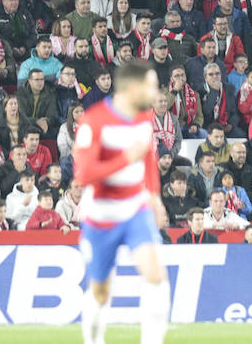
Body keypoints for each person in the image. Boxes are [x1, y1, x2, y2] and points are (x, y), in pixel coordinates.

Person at [74, 59, 168, 344]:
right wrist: (126, 157)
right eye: (151, 86)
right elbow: (84, 174)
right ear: (133, 87)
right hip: (101, 214)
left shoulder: (143, 118)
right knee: (101, 291)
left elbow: (148, 159)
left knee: (156, 276)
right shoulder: (94, 120)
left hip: (135, 209)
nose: (156, 93)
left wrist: (154, 197)